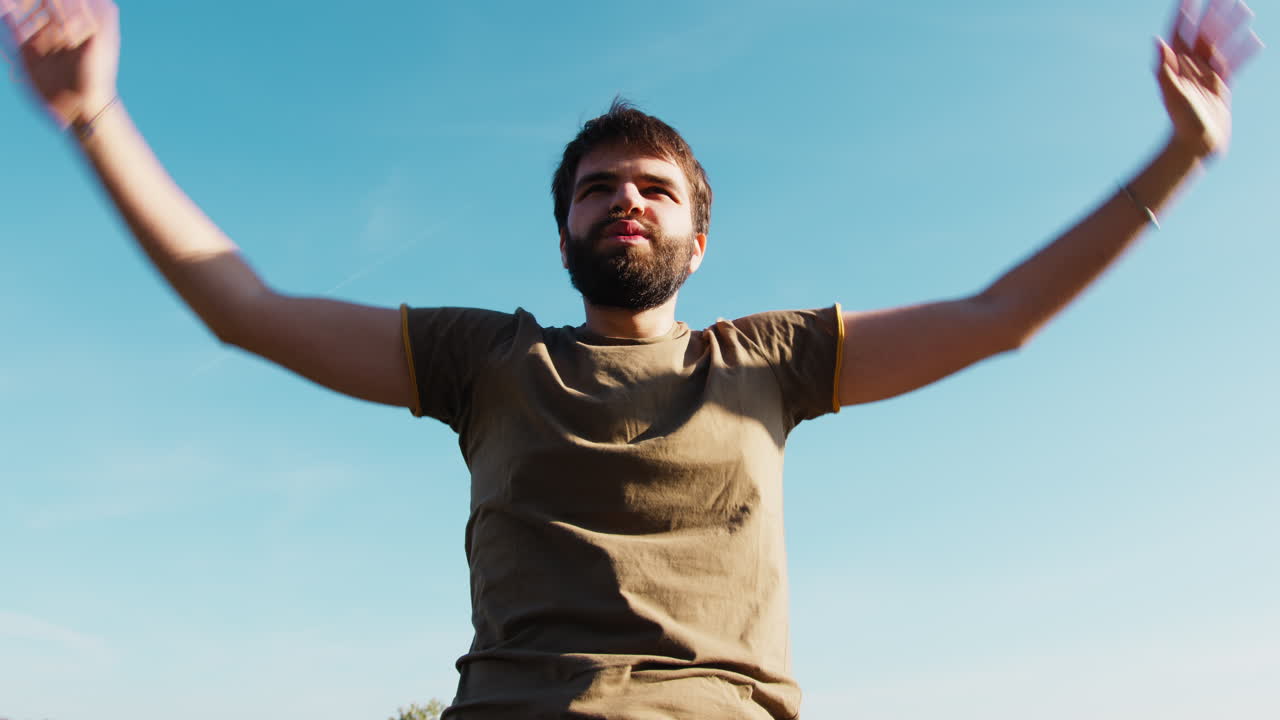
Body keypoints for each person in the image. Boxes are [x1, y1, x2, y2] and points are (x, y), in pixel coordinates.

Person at [2, 0, 1263, 717]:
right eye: (597, 188)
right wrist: (94, 118)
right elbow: (249, 309)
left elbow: (997, 315)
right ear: (560, 229)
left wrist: (1175, 157)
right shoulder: (486, 362)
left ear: (698, 240)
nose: (625, 202)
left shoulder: (770, 362)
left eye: (653, 189)